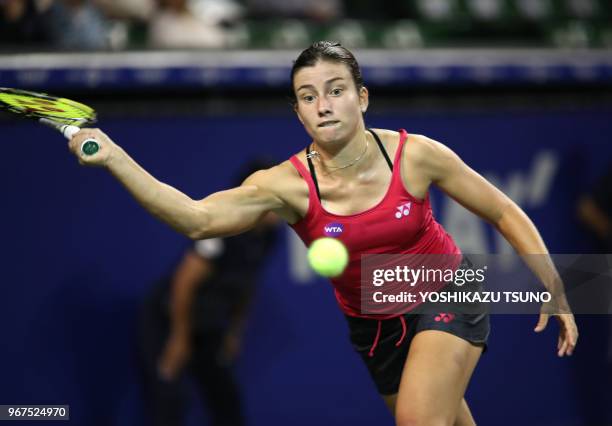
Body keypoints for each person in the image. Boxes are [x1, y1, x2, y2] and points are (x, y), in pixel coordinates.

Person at [67, 41, 578, 426]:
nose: (323, 105)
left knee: (419, 423)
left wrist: (554, 287)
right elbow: (196, 218)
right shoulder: (285, 185)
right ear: (298, 111)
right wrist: (114, 157)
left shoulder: (416, 154)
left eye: (336, 91)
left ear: (362, 96)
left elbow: (504, 211)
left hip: (447, 290)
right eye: (307, 97)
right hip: (374, 326)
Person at [138, 161, 279, 426]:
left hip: (210, 324)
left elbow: (248, 284)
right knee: (169, 401)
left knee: (227, 401)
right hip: (169, 318)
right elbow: (183, 282)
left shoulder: (269, 237)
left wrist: (235, 331)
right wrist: (180, 337)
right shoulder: (224, 227)